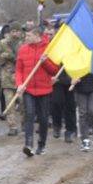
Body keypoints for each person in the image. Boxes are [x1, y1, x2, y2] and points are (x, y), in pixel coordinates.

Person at [14, 26, 59, 157]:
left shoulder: (49, 49)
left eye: (29, 36)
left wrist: (45, 62)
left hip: (44, 90)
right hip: (28, 89)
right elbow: (19, 70)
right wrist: (19, 84)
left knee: (43, 118)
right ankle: (28, 144)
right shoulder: (23, 49)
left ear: (37, 36)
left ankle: (42, 144)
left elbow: (55, 71)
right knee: (29, 115)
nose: (26, 38)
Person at [0, 24, 25, 136]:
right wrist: (5, 56)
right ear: (10, 32)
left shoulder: (24, 43)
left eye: (18, 31)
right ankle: (12, 126)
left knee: (23, 102)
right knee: (9, 103)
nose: (15, 33)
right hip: (7, 77)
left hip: (22, 78)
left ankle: (25, 123)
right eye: (13, 31)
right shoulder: (2, 43)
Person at [73, 72, 93, 151]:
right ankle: (85, 140)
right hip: (80, 88)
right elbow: (69, 67)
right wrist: (71, 78)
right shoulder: (75, 59)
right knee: (83, 113)